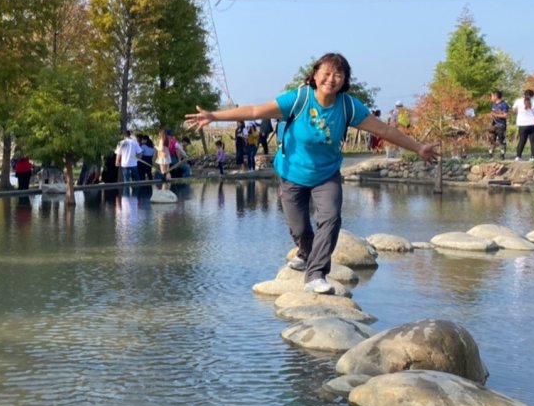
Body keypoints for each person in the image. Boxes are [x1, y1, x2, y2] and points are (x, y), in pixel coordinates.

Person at [185, 52, 436, 295]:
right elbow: (254, 112)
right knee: (299, 227)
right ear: (314, 75)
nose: (331, 79)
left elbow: (384, 131)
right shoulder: (298, 99)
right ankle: (306, 255)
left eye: (338, 74)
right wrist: (213, 116)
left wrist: (419, 147)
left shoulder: (348, 106)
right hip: (292, 173)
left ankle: (316, 274)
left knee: (331, 218)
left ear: (344, 80)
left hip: (326, 174)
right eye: (326, 73)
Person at [511, 89, 534, 161]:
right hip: (533, 124)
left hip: (522, 124)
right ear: (533, 95)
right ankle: (532, 157)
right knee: (533, 141)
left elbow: (514, 109)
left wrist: (519, 112)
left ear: (524, 95)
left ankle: (518, 156)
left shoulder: (518, 101)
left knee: (522, 140)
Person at [488, 90, 510, 160]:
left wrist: (495, 114)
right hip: (493, 125)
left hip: (501, 125)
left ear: (496, 96)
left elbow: (505, 116)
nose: (491, 97)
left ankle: (502, 154)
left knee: (501, 140)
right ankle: (491, 155)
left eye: (492, 96)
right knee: (491, 139)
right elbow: (493, 113)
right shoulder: (494, 104)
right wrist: (490, 115)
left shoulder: (504, 104)